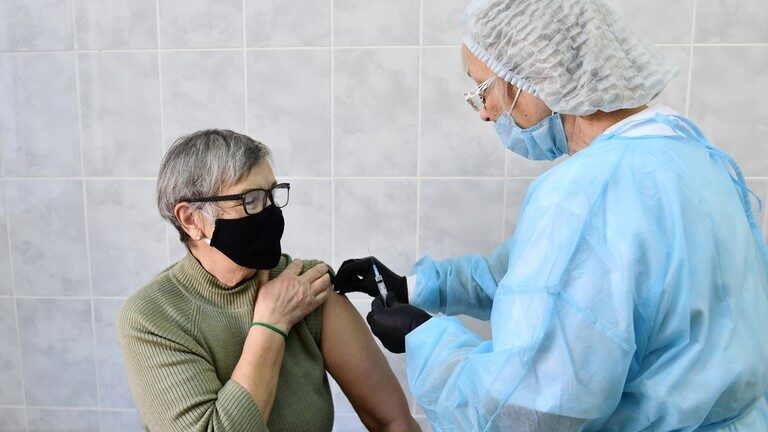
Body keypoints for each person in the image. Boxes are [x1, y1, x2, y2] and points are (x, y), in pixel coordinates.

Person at [334, 0, 768, 430]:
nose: (484, 111)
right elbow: (543, 279)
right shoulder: (690, 154)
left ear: (541, 76)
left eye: (483, 89)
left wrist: (424, 340)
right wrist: (414, 287)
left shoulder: (590, 192)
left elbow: (529, 409)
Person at [118, 130, 420, 432]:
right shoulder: (152, 318)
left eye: (271, 195)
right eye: (250, 200)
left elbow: (394, 423)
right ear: (191, 220)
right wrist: (271, 324)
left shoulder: (305, 287)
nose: (270, 214)